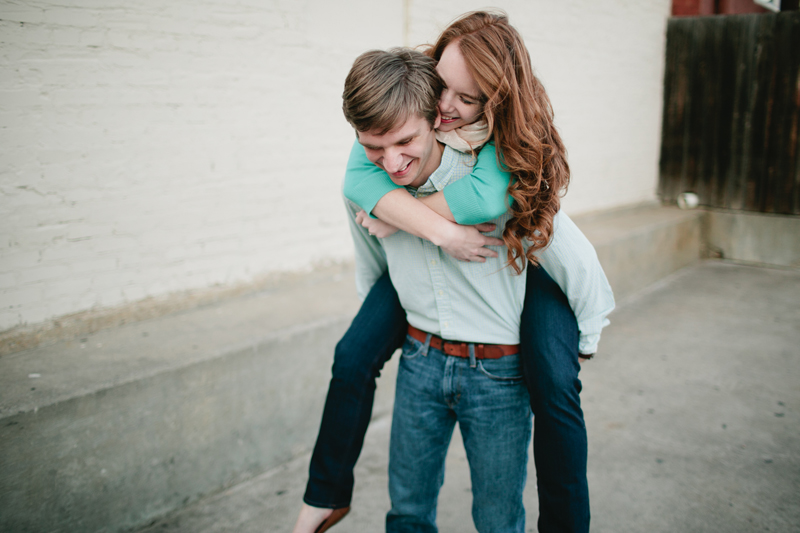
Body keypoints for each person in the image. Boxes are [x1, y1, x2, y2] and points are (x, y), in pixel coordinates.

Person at [293, 11, 614, 533]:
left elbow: (562, 249)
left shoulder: (503, 165)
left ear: (493, 104)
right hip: (422, 354)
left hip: (497, 357)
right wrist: (400, 218)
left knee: (545, 409)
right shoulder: (384, 155)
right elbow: (367, 227)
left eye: (466, 99)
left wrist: (414, 219)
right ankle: (323, 498)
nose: (446, 106)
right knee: (404, 502)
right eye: (443, 88)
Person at [347, 47, 535, 532]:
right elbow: (374, 268)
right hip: (420, 358)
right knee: (407, 512)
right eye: (374, 148)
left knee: (498, 519)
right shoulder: (371, 192)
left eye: (405, 140)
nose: (391, 162)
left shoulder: (490, 176)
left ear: (436, 119)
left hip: (496, 370)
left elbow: (560, 249)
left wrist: (587, 332)